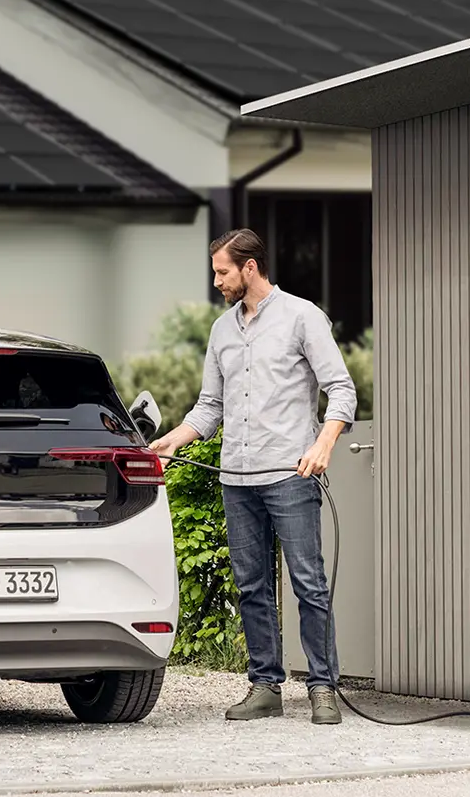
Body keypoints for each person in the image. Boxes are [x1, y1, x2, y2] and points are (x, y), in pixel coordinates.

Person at [148, 228, 358, 725]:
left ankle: (323, 688)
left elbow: (341, 389)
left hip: (289, 473)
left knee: (308, 582)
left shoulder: (302, 317)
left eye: (222, 271)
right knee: (251, 586)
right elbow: (210, 406)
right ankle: (265, 686)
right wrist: (174, 439)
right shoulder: (222, 330)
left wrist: (323, 444)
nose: (216, 281)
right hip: (236, 478)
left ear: (249, 267)